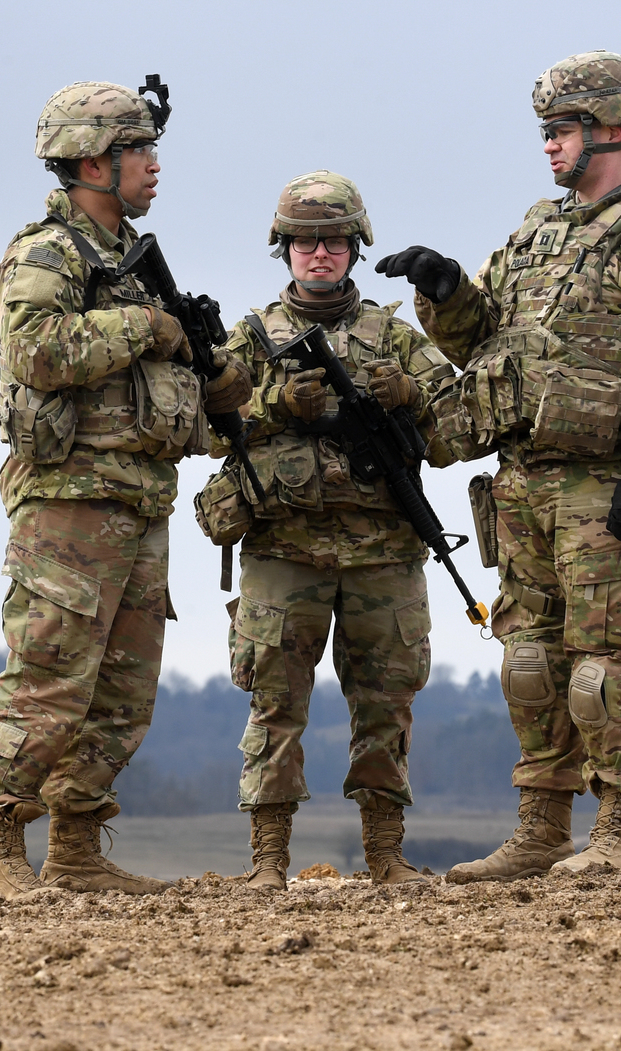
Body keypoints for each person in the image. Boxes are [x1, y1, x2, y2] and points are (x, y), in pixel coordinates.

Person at [375, 51, 621, 878]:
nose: (549, 147)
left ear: (609, 128)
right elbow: (480, 338)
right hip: (524, 480)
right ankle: (541, 828)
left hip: (609, 482)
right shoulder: (540, 228)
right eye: (545, 132)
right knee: (530, 661)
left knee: (609, 668)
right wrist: (447, 289)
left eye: (559, 130)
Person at [0, 79, 253, 898]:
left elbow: (174, 380)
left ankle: (78, 850)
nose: (154, 167)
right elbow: (37, 350)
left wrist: (215, 373)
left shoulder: (129, 265)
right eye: (141, 151)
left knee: (123, 692)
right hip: (67, 505)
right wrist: (147, 328)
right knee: (48, 675)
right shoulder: (46, 255)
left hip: (139, 502)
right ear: (95, 160)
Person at [192, 171, 456, 891]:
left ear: (355, 248)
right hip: (286, 551)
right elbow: (202, 423)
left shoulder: (396, 337)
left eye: (332, 241)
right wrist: (274, 404)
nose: (318, 254)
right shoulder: (249, 339)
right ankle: (268, 862)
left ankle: (386, 855)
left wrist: (413, 395)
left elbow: (461, 425)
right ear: (284, 249)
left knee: (386, 703)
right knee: (275, 702)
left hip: (383, 555)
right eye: (304, 241)